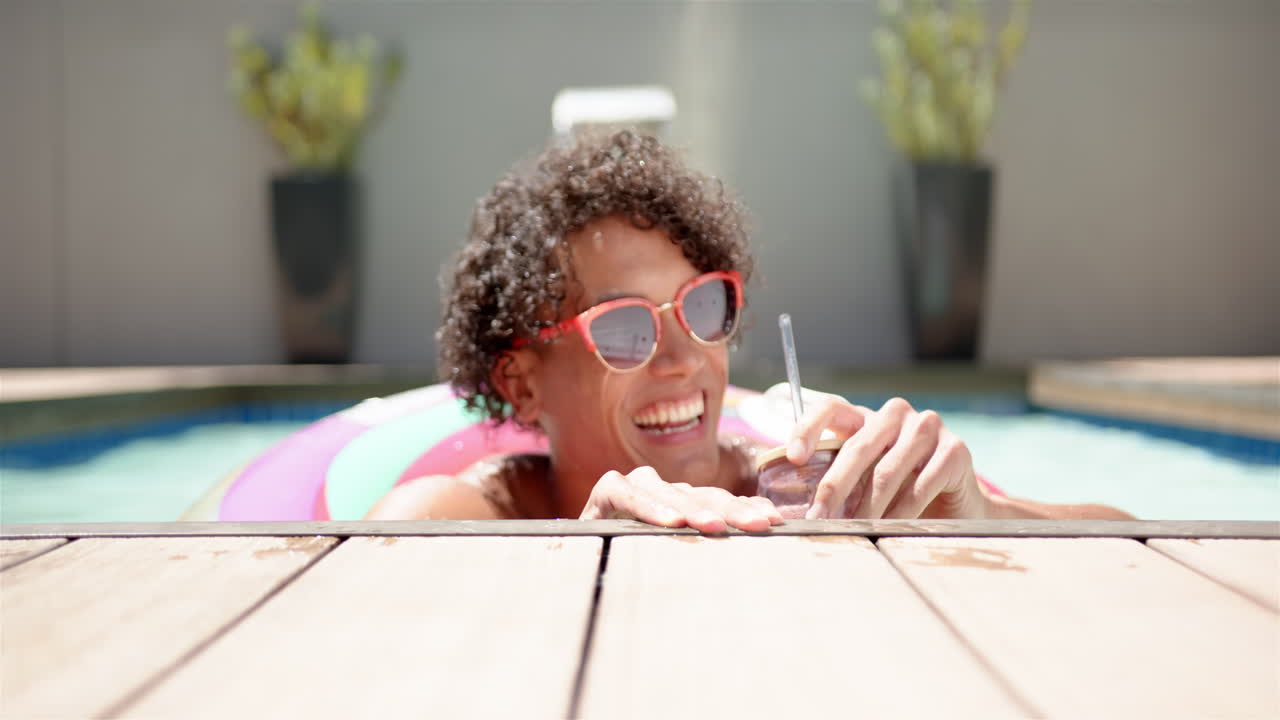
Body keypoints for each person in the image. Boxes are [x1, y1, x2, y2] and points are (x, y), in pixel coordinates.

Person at [366, 130, 1133, 529]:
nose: (683, 358)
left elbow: (1143, 543)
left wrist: (988, 514)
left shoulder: (798, 488)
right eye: (626, 328)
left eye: (702, 307)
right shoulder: (472, 518)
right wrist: (580, 549)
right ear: (521, 383)